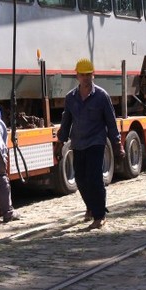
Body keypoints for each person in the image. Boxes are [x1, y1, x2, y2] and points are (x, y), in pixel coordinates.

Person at [56, 58, 124, 230]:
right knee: (80, 179)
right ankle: (91, 207)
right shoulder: (70, 98)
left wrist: (117, 143)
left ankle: (100, 215)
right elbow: (66, 122)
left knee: (94, 178)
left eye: (88, 74)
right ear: (77, 76)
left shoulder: (101, 96)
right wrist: (60, 143)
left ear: (93, 75)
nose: (86, 78)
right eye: (82, 75)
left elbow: (111, 121)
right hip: (78, 144)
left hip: (96, 142)